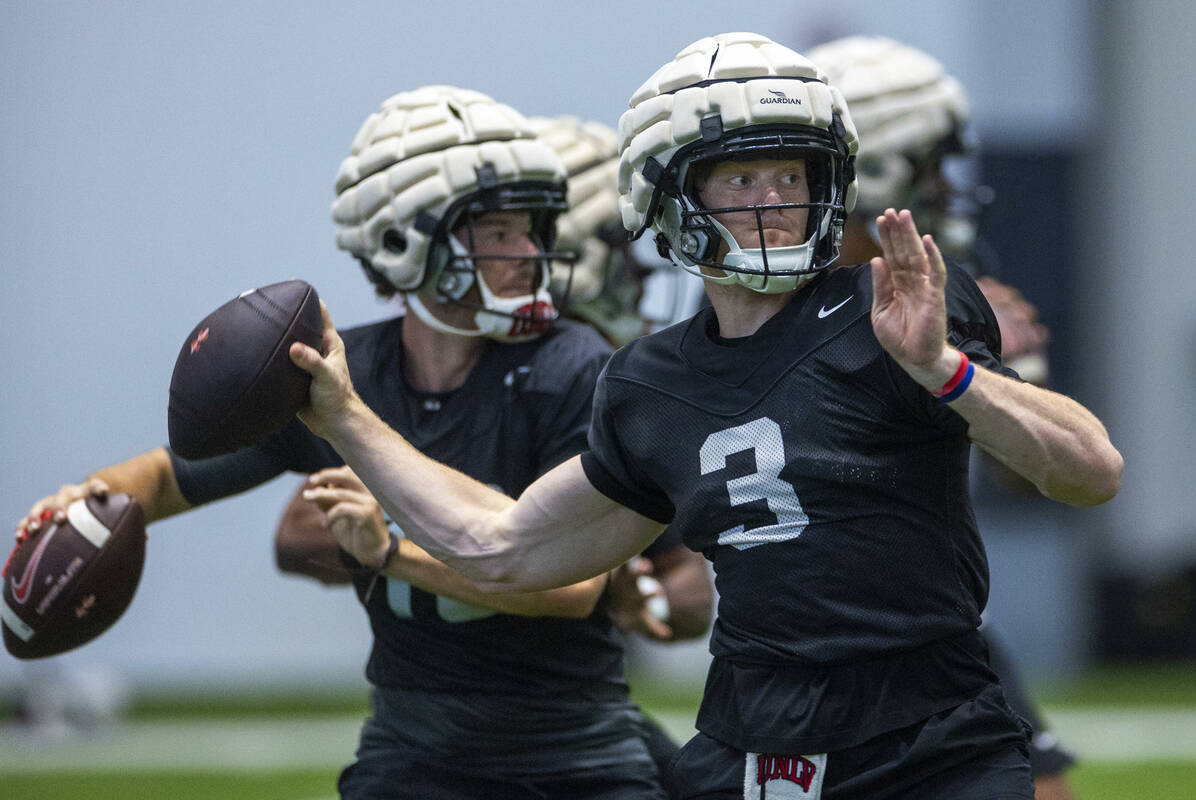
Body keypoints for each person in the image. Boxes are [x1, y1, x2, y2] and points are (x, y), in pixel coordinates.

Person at [290, 32, 1122, 799]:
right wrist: (346, 417)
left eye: (792, 175)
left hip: (935, 736)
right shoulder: (647, 383)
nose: (774, 200)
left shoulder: (891, 309)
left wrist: (946, 370)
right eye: (741, 177)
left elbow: (1090, 474)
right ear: (669, 193)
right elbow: (503, 549)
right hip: (757, 746)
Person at [16, 86, 666, 799]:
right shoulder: (337, 374)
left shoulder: (569, 366)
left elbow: (572, 586)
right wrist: (94, 502)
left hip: (573, 756)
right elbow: (170, 477)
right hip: (410, 752)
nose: (530, 252)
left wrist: (391, 551)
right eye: (501, 231)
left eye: (534, 229)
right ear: (405, 238)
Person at [804, 35, 1077, 800]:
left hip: (931, 620)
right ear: (883, 161)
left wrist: (1007, 383)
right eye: (929, 161)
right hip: (798, 635)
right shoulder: (758, 298)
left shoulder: (947, 285)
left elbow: (1034, 481)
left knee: (1042, 787)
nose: (946, 185)